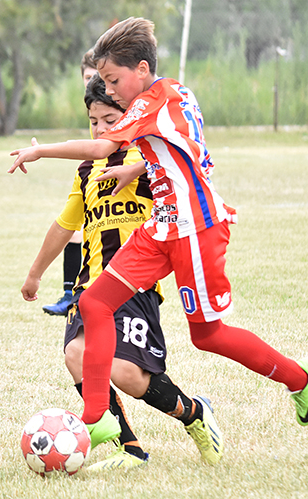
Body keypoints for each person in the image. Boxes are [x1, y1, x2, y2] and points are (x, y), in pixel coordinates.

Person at [9, 17, 308, 449]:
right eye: (104, 81)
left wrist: (39, 149)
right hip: (164, 225)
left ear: (141, 69)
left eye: (114, 80)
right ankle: (97, 417)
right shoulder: (177, 93)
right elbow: (186, 151)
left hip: (195, 227)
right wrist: (140, 166)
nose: (111, 90)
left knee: (207, 335)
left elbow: (101, 147)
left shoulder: (148, 105)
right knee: (95, 302)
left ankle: (300, 378)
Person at [21, 74, 223, 469]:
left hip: (135, 286)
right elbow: (65, 225)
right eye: (94, 122)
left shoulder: (147, 159)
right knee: (76, 355)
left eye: (110, 120)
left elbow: (183, 177)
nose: (100, 129)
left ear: (129, 117)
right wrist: (35, 274)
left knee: (127, 373)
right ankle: (127, 446)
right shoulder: (86, 172)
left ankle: (194, 413)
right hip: (90, 284)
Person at [41, 50, 99, 316]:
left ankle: (82, 294)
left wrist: (44, 150)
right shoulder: (93, 103)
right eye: (87, 77)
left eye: (96, 76)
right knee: (74, 230)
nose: (91, 82)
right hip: (94, 171)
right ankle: (71, 294)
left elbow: (97, 147)